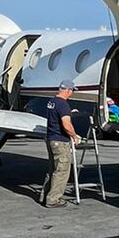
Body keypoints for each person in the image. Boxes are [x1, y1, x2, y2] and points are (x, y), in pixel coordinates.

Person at [43, 80, 81, 208]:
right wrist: (74, 136)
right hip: (60, 141)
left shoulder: (51, 102)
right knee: (62, 170)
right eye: (72, 91)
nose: (72, 93)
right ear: (68, 90)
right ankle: (53, 199)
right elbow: (66, 124)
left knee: (52, 169)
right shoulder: (63, 104)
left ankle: (45, 195)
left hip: (50, 138)